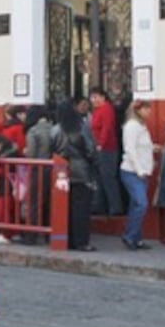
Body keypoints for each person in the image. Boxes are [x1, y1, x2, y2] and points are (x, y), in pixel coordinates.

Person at [53, 99, 98, 252]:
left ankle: (68, 239)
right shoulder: (81, 127)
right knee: (82, 208)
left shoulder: (56, 129)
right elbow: (91, 149)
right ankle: (81, 241)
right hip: (81, 171)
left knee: (66, 208)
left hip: (61, 172)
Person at [120, 100, 155, 250]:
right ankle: (129, 236)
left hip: (142, 171)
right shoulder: (132, 127)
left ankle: (136, 238)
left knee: (136, 205)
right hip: (132, 172)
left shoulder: (141, 126)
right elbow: (130, 149)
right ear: (138, 110)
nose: (149, 112)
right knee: (141, 204)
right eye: (146, 109)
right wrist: (139, 169)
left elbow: (141, 146)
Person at [89, 88, 124, 216]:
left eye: (97, 97)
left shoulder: (106, 109)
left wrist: (101, 145)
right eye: (92, 97)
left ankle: (115, 207)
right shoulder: (97, 111)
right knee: (99, 178)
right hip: (99, 147)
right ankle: (100, 205)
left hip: (107, 148)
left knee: (108, 177)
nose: (94, 100)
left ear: (103, 97)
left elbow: (107, 128)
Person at [21, 105, 54, 244]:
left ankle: (31, 235)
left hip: (38, 170)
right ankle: (49, 234)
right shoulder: (54, 128)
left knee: (34, 202)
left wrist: (25, 152)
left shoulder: (33, 131)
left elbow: (32, 154)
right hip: (53, 169)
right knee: (49, 203)